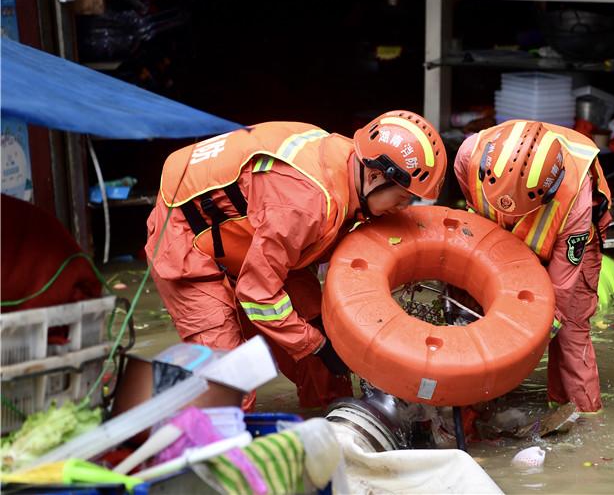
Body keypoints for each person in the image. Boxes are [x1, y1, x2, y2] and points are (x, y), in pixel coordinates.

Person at [145, 111, 447, 409]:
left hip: (260, 231)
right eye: (403, 199)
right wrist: (315, 345)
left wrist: (327, 343)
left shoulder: (345, 164)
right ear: (375, 175)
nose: (401, 208)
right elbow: (258, 297)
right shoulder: (304, 205)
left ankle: (331, 423)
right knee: (228, 385)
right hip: (186, 237)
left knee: (327, 353)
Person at [453, 119, 612, 412]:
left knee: (570, 332)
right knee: (472, 308)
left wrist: (530, 340)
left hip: (570, 245)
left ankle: (582, 416)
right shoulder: (470, 154)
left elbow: (559, 291)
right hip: (495, 236)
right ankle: (474, 403)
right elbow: (471, 210)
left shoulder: (575, 201)